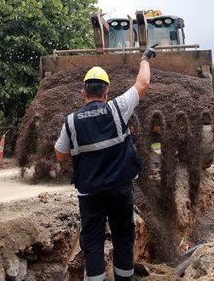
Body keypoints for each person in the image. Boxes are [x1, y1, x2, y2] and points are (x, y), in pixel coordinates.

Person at [54, 45, 157, 281]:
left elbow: (60, 155)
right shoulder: (117, 108)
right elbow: (143, 85)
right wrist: (144, 58)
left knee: (92, 243)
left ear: (83, 93)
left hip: (90, 194)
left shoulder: (71, 122)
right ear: (106, 90)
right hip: (120, 190)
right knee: (123, 238)